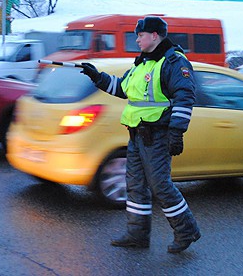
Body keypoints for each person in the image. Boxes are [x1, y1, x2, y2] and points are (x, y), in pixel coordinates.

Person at [80, 16, 201, 254]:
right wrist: (98, 77)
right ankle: (137, 234)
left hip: (158, 136)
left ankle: (187, 230)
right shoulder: (142, 64)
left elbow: (185, 96)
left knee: (161, 186)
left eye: (140, 35)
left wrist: (176, 132)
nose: (137, 40)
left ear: (154, 35)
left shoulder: (174, 62)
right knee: (134, 186)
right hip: (136, 135)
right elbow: (123, 89)